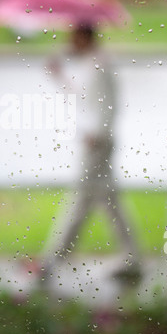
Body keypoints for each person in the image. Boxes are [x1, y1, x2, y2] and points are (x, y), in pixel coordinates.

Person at [39, 23, 140, 284]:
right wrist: (59, 76)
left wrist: (99, 133)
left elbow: (110, 102)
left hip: (97, 143)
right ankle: (133, 258)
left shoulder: (102, 64)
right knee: (108, 201)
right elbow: (82, 99)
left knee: (81, 198)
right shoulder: (89, 64)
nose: (69, 42)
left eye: (72, 36)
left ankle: (52, 260)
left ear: (84, 37)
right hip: (94, 141)